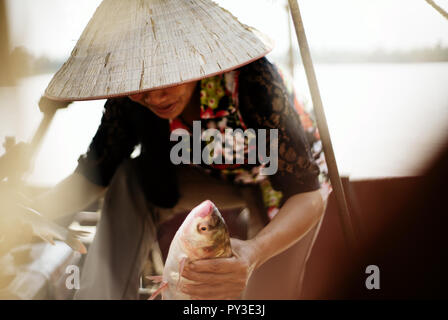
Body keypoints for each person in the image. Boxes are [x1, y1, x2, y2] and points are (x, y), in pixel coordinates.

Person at [32, 0, 330, 299]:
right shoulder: (129, 99)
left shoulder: (253, 80)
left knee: (267, 295)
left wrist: (253, 253)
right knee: (128, 177)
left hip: (282, 186)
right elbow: (95, 174)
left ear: (195, 56)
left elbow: (307, 193)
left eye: (166, 76)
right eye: (141, 82)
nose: (154, 95)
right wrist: (29, 212)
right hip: (211, 171)